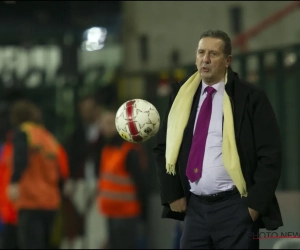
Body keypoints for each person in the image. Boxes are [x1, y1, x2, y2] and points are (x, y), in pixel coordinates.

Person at [153, 29, 283, 249]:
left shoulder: (250, 98)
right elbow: (163, 147)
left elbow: (270, 156)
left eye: (213, 54)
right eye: (201, 52)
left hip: (235, 208)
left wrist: (253, 208)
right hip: (195, 209)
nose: (205, 59)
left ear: (227, 60)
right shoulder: (182, 96)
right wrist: (172, 194)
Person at [7, 100, 69, 249]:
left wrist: (14, 181)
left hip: (31, 201)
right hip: (51, 202)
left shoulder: (23, 133)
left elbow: (21, 158)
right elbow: (61, 170)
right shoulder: (48, 137)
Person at [97, 109, 149, 249]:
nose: (105, 126)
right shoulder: (106, 150)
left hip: (127, 215)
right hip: (111, 213)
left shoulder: (129, 151)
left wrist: (144, 215)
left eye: (109, 123)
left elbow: (141, 185)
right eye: (103, 123)